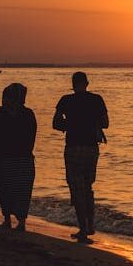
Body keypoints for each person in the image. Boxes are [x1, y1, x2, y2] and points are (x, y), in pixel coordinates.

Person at [53, 71, 108, 243]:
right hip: (92, 148)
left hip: (73, 147)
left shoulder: (66, 100)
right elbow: (106, 123)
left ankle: (83, 228)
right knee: (87, 186)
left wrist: (71, 124)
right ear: (87, 83)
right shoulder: (97, 100)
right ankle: (90, 225)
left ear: (73, 84)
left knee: (76, 187)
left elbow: (55, 123)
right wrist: (91, 123)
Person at [0, 83, 37, 231]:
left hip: (3, 158)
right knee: (22, 191)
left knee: (4, 188)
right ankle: (21, 222)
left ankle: (7, 219)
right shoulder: (28, 114)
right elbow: (32, 137)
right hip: (24, 159)